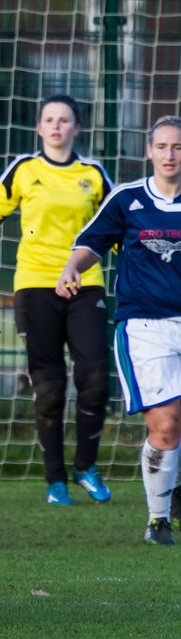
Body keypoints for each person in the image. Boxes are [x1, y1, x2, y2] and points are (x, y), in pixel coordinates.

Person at [0, 94, 114, 506]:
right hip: (34, 285)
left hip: (86, 283)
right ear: (39, 127)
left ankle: (86, 466)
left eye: (65, 120)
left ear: (77, 128)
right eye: (49, 119)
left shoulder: (94, 175)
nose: (57, 126)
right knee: (49, 387)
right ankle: (56, 481)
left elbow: (116, 228)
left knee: (95, 378)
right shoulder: (25, 171)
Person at [57, 114, 181, 545]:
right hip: (145, 326)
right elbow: (90, 245)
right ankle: (158, 519)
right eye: (162, 146)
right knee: (165, 425)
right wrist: (72, 267)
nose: (169, 154)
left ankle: (174, 486)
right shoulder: (127, 200)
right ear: (149, 152)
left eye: (177, 147)